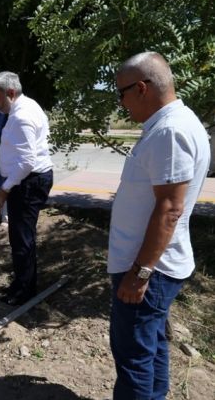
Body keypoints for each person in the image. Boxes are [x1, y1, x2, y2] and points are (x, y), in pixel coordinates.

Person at [108, 52, 210, 399]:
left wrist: (139, 273)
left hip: (149, 270)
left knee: (134, 357)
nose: (121, 104)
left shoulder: (170, 131)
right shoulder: (172, 123)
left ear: (141, 88)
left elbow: (169, 209)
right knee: (151, 346)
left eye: (120, 94)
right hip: (151, 267)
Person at [0, 71, 53, 306]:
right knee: (21, 237)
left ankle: (24, 292)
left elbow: (26, 162)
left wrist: (5, 188)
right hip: (24, 181)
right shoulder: (25, 106)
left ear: (11, 93)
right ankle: (24, 283)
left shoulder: (22, 116)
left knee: (21, 239)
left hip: (27, 182)